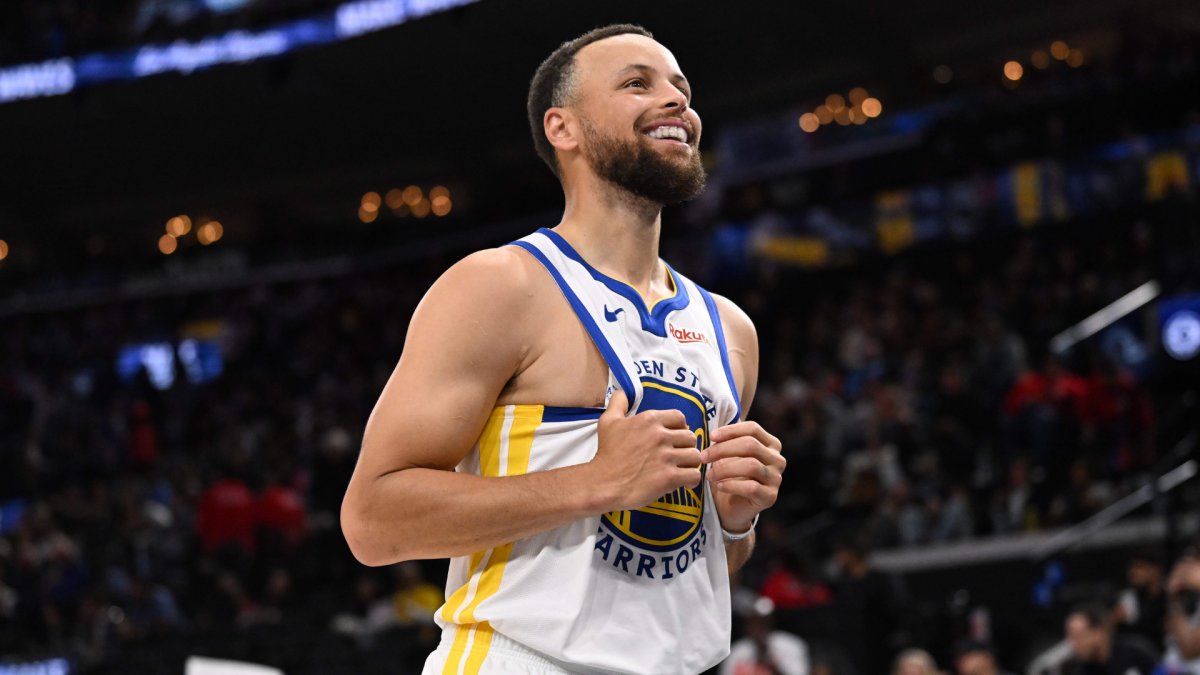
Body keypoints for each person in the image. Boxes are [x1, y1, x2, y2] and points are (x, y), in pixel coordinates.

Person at [340, 23, 787, 675]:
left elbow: (691, 567)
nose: (676, 101)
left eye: (681, 89)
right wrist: (593, 483)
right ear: (563, 128)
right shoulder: (501, 285)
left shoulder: (730, 329)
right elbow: (373, 521)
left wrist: (734, 521)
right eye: (637, 84)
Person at [1062, 602, 1159, 675]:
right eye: (1071, 638)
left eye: (1079, 637)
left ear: (1099, 632)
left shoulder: (1137, 653)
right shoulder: (1079, 672)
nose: (1074, 644)